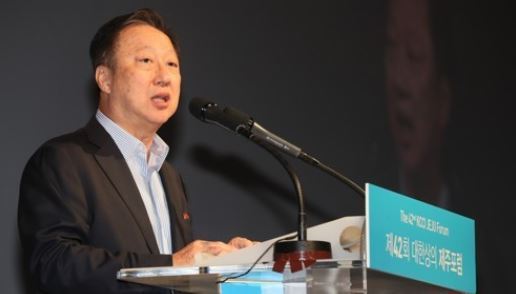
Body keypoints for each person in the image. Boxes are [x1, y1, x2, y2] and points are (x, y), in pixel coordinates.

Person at [18, 8, 252, 294]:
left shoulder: (169, 177)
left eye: (172, 64)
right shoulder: (63, 160)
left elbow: (175, 279)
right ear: (105, 79)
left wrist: (232, 265)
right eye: (146, 61)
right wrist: (171, 265)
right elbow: (53, 263)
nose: (164, 76)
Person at [385, 0, 453, 208]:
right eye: (391, 47)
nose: (398, 79)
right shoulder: (355, 205)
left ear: (444, 99)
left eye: (414, 54)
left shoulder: (482, 235)